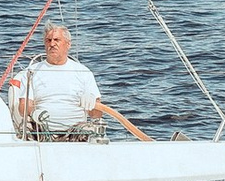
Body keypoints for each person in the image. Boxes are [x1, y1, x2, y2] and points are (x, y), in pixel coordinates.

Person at [12, 22, 148, 142]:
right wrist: (34, 113)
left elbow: (97, 115)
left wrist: (92, 103)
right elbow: (23, 106)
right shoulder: (31, 72)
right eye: (48, 40)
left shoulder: (83, 72)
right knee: (26, 128)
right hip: (42, 128)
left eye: (57, 40)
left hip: (75, 131)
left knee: (92, 131)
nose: (52, 44)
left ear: (68, 44)